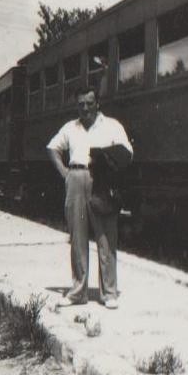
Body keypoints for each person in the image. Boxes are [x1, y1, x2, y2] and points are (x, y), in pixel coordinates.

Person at [47, 86, 133, 309]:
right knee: (77, 238)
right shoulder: (70, 127)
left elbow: (127, 153)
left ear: (97, 104)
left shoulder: (112, 125)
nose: (85, 108)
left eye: (89, 103)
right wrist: (65, 174)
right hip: (75, 178)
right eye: (81, 104)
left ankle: (109, 293)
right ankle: (78, 293)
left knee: (106, 238)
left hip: (101, 181)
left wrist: (111, 165)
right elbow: (52, 148)